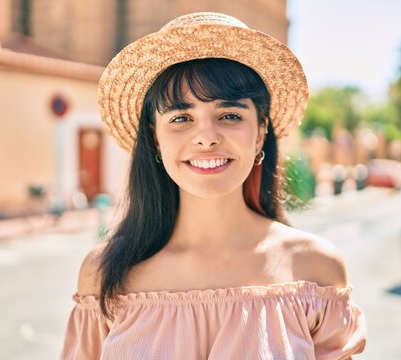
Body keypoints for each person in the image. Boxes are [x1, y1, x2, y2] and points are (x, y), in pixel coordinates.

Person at [61, 12, 366, 360]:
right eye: (181, 118)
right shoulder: (104, 275)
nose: (206, 137)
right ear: (155, 138)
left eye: (230, 115)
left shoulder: (316, 269)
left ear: (260, 132)